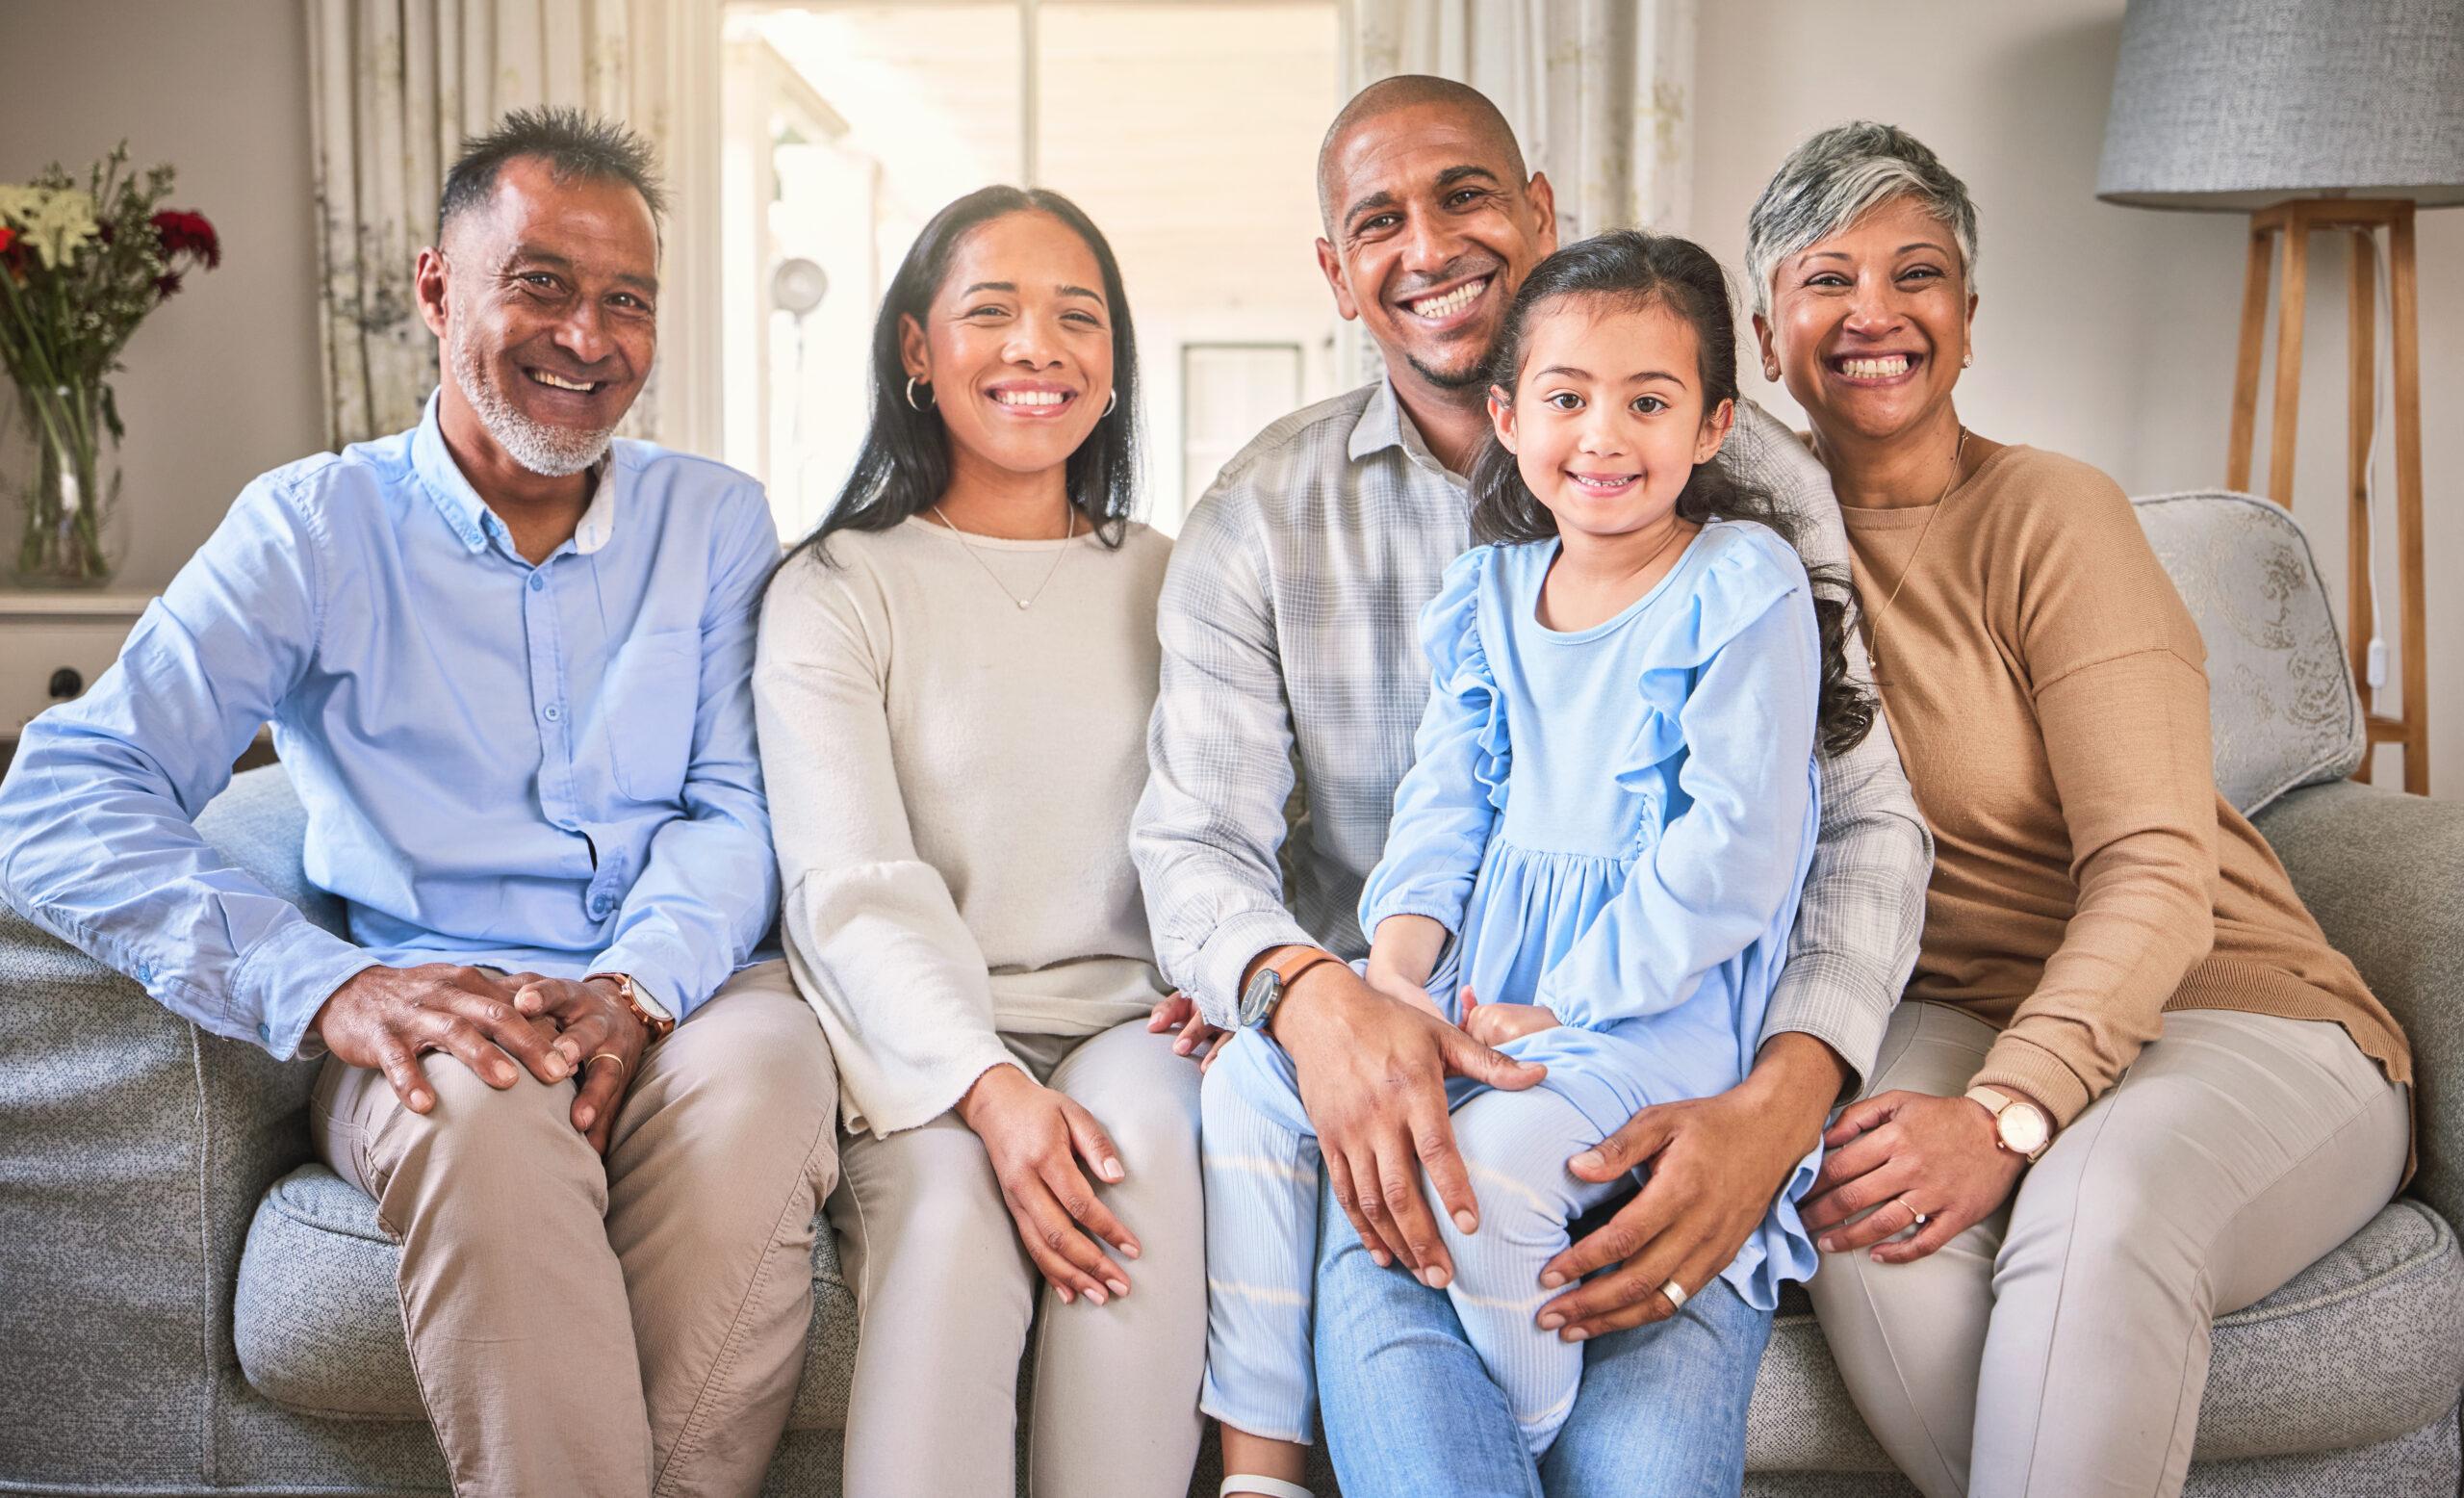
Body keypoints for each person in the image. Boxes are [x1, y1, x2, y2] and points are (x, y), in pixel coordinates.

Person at [0, 109, 839, 1497]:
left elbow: (735, 806)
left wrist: (635, 989)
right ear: (436, 289)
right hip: (433, 1003)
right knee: (483, 1112)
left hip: (682, 993)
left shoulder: (717, 522)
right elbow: (64, 787)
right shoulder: (313, 528)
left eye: (627, 302)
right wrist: (320, 986)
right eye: (543, 285)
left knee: (765, 1086)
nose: (588, 336)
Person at [1134, 75, 1933, 1496]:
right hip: (1416, 1048)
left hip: (1668, 1061)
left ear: (1540, 213)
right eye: (1378, 220)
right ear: (1336, 273)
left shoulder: (1744, 501)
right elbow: (1200, 849)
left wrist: (1780, 1108)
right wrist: (1327, 991)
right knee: (1326, 1157)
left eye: (1466, 195)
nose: (1428, 244)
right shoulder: (1269, 518)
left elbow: (1853, 828)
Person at [1743, 122, 2415, 1498]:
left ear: (1970, 321)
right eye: (1828, 281)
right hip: (1942, 1004)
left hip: (2229, 1005)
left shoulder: (2053, 514)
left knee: (2096, 1215)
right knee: (1866, 1219)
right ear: (1765, 340)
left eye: (1916, 274)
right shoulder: (1735, 551)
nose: (1875, 314)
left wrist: (2004, 1119)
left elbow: (2160, 869)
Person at [757, 186, 1203, 1498]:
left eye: (1078, 317)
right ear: (914, 349)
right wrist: (987, 1087)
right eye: (990, 311)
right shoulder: (836, 587)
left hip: (1135, 1023)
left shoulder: (1180, 576)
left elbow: (1236, 824)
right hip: (920, 1051)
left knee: (1144, 1166)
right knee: (952, 1219)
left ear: (1114, 364)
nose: (1036, 348)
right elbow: (850, 886)